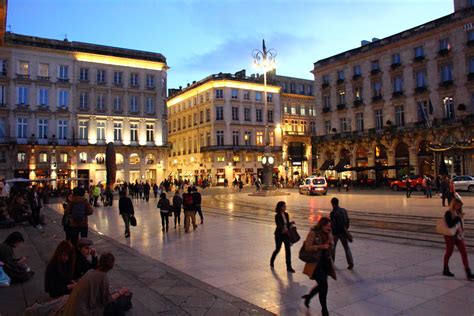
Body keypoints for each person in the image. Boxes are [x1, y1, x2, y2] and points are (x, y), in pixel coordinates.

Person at [61, 253, 132, 316]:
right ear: (112, 266)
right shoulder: (103, 277)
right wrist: (120, 292)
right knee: (117, 304)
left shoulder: (90, 272)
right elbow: (105, 301)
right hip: (84, 312)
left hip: (73, 309)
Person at [301, 217, 335, 316]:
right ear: (322, 225)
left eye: (330, 226)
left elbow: (331, 247)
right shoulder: (313, 233)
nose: (328, 228)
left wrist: (330, 237)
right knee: (324, 285)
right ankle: (324, 310)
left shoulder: (328, 234)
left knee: (322, 285)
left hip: (325, 263)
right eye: (327, 226)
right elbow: (307, 247)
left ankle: (308, 298)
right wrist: (320, 246)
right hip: (315, 264)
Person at [442, 197, 474, 280]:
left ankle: (468, 272)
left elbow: (460, 225)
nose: (459, 207)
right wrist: (458, 218)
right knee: (449, 252)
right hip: (450, 236)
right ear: (454, 205)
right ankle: (445, 268)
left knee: (464, 253)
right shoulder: (448, 213)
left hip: (459, 236)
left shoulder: (459, 212)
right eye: (458, 205)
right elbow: (450, 225)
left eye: (460, 206)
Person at [270, 201, 295, 273]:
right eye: (284, 206)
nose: (285, 207)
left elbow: (286, 223)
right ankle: (272, 260)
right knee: (278, 249)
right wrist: (283, 230)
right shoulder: (277, 216)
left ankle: (289, 267)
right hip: (279, 235)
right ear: (280, 207)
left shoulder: (286, 214)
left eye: (285, 206)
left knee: (288, 250)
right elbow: (279, 225)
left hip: (286, 235)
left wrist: (291, 223)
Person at [330, 197, 354, 269]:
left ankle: (332, 263)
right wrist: (346, 229)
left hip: (336, 233)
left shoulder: (333, 213)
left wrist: (332, 232)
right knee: (346, 248)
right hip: (343, 232)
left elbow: (333, 224)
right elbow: (347, 221)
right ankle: (351, 263)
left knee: (333, 248)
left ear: (332, 204)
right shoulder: (344, 210)